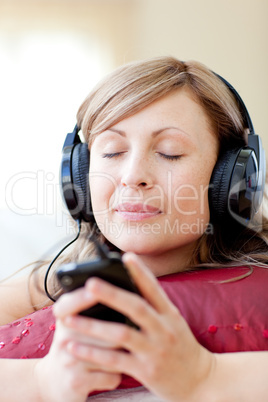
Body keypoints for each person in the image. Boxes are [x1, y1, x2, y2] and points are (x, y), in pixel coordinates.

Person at [0, 56, 268, 401]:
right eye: (112, 152)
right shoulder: (49, 282)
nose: (132, 176)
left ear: (233, 179)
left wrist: (204, 377)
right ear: (79, 176)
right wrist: (40, 379)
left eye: (170, 153)